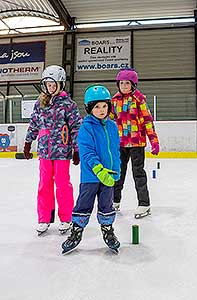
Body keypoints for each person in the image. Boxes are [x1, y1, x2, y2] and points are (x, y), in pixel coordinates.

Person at [61, 84, 121, 254]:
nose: (101, 110)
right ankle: (76, 232)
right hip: (91, 177)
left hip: (108, 176)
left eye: (104, 106)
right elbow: (87, 153)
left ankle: (108, 231)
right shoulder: (86, 128)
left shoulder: (112, 126)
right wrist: (99, 170)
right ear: (89, 108)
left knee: (106, 206)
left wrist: (116, 170)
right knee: (83, 205)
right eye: (97, 107)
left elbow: (115, 150)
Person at [23, 65, 82, 235]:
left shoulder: (68, 105)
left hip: (62, 151)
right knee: (44, 184)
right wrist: (28, 142)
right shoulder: (40, 103)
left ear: (61, 84)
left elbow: (75, 128)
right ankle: (44, 218)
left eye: (53, 84)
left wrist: (76, 149)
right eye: (47, 84)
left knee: (63, 185)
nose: (50, 87)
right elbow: (34, 123)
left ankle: (66, 218)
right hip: (44, 152)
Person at [110, 68, 159, 218]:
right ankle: (114, 201)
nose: (124, 86)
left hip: (137, 143)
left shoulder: (139, 99)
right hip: (120, 143)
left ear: (134, 84)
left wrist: (154, 140)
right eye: (122, 83)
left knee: (138, 173)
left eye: (127, 83)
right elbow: (109, 118)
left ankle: (144, 204)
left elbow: (147, 120)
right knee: (118, 173)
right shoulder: (115, 100)